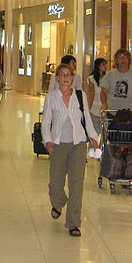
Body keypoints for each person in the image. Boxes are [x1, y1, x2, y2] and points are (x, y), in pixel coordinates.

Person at [42, 63, 99, 237]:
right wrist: (48, 141)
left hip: (78, 144)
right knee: (55, 182)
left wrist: (94, 138)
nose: (65, 78)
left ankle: (73, 222)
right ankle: (58, 202)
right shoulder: (51, 97)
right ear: (57, 78)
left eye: (68, 75)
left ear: (72, 78)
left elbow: (87, 119)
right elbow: (46, 122)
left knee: (76, 184)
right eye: (62, 75)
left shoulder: (80, 96)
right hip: (58, 144)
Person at [101, 48, 132, 116]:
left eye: (125, 57)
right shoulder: (109, 75)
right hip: (112, 112)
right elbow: (103, 92)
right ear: (116, 60)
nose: (123, 60)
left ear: (129, 60)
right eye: (120, 58)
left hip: (129, 113)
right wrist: (104, 104)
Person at [86, 57, 108, 135]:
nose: (105, 66)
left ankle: (104, 146)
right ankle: (94, 146)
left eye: (105, 64)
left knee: (106, 131)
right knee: (95, 131)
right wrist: (89, 108)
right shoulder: (91, 79)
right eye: (103, 64)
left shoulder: (108, 77)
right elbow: (91, 93)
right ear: (98, 66)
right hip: (95, 107)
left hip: (106, 107)